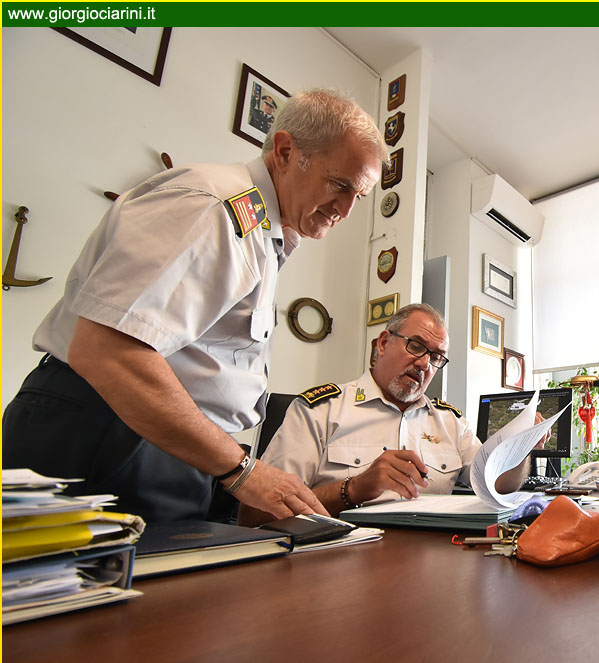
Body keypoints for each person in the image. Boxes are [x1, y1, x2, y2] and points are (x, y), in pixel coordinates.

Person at [2, 89, 387, 522]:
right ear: (284, 152)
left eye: (359, 196)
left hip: (171, 442)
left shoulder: (261, 230)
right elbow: (107, 350)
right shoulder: (212, 206)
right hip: (111, 430)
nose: (346, 210)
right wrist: (242, 470)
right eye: (340, 185)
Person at [238, 304, 546, 526]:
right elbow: (255, 515)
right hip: (338, 562)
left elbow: (498, 485)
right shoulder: (320, 410)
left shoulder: (450, 422)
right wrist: (353, 489)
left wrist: (519, 449)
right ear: (384, 343)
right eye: (416, 346)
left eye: (436, 357)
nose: (425, 364)